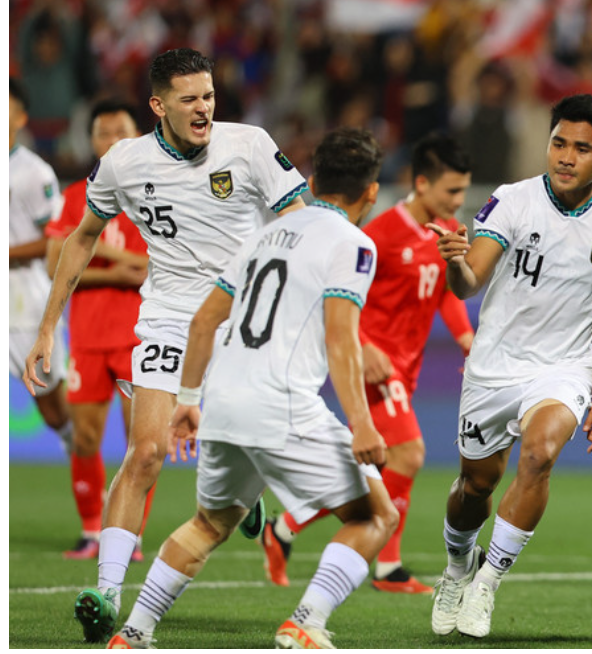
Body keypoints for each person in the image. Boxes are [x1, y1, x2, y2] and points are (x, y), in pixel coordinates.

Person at [22, 48, 310, 644]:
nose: (204, 108)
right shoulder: (123, 163)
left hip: (242, 320)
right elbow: (81, 239)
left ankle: (242, 486)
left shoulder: (249, 145)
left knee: (257, 444)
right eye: (189, 99)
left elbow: (302, 222)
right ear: (158, 105)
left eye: (209, 96)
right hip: (169, 320)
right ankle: (106, 592)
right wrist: (48, 326)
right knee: (146, 451)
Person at [105, 126, 399, 650]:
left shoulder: (265, 235)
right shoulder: (354, 244)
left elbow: (204, 321)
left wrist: (189, 401)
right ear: (372, 192)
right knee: (377, 514)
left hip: (222, 401)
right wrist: (362, 424)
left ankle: (133, 633)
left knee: (209, 523)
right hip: (281, 403)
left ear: (312, 182)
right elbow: (341, 339)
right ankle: (305, 622)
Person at [427, 94, 592, 639]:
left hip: (564, 366)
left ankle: (487, 582)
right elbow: (469, 281)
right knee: (475, 486)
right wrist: (455, 263)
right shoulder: (512, 201)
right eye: (558, 143)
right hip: (493, 366)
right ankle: (457, 567)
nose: (566, 157)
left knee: (540, 452)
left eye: (582, 148)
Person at [260, 132, 475, 593]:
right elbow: (334, 294)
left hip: (407, 364)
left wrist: (466, 340)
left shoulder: (444, 230)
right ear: (422, 183)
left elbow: (444, 291)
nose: (459, 201)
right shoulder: (381, 233)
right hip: (374, 362)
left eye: (463, 190)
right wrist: (363, 344)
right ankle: (387, 566)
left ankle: (285, 527)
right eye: (452, 190)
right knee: (409, 453)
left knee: (380, 461)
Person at [45, 98, 151, 561]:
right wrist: (118, 266)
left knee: (141, 442)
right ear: (91, 141)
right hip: (87, 337)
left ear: (137, 136)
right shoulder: (75, 196)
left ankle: (129, 536)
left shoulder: (156, 192)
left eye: (120, 131)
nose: (111, 141)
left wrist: (100, 255)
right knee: (85, 439)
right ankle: (92, 530)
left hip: (139, 337)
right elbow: (55, 266)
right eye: (102, 133)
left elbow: (156, 267)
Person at [9, 78, 73, 458]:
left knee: (52, 410)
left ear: (21, 118)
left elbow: (57, 239)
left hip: (25, 302)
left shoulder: (34, 173)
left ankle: (77, 448)